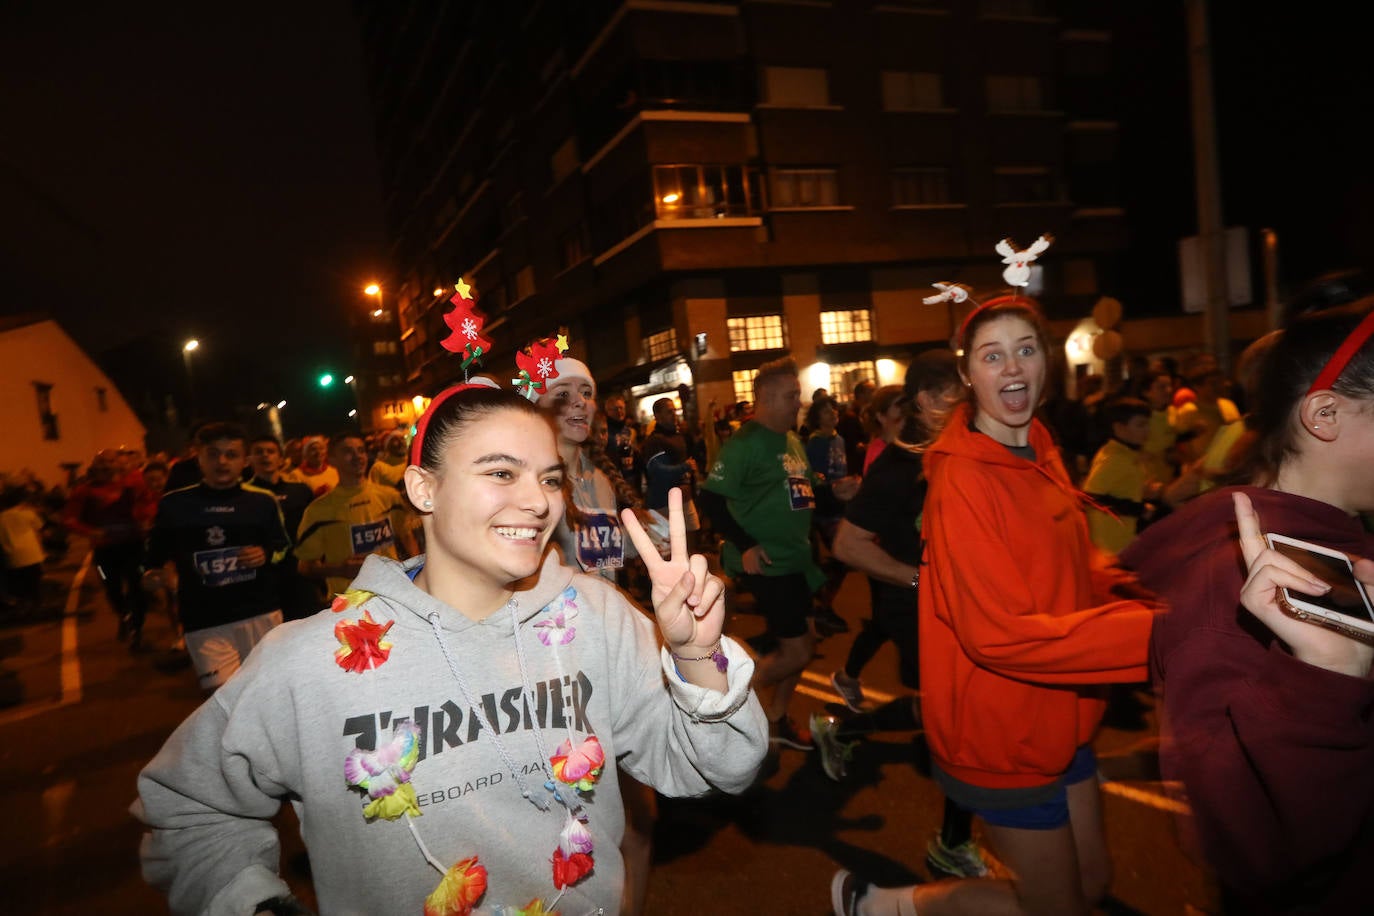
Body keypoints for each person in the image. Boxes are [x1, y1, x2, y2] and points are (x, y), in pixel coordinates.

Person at [133, 382, 767, 916]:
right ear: (423, 489)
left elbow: (721, 767)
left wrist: (693, 655)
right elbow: (188, 805)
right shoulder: (309, 661)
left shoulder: (596, 617)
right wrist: (254, 904)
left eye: (549, 478)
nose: (538, 501)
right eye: (500, 472)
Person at [831, 295, 1159, 916]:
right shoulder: (962, 480)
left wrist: (1126, 583)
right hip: (1001, 732)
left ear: (1046, 362)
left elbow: (1064, 556)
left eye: (1025, 350)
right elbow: (997, 636)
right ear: (969, 376)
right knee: (1057, 906)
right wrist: (1154, 639)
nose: (1012, 367)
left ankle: (884, 904)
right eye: (993, 355)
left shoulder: (1038, 441)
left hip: (1063, 711)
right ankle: (893, 909)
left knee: (1089, 886)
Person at [1122, 301, 1374, 913]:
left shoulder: (1343, 537)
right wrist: (1327, 681)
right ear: (1324, 414)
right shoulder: (1224, 591)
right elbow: (1249, 844)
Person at [814, 349, 989, 880]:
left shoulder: (962, 449)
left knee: (948, 711)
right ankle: (952, 842)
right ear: (931, 400)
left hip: (962, 604)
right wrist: (920, 579)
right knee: (960, 719)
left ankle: (844, 730)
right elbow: (846, 544)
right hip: (914, 607)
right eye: (962, 393)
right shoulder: (898, 467)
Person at [536, 354, 659, 916]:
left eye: (588, 392)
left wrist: (653, 539)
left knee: (639, 817)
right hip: (551, 676)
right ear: (537, 402)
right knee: (565, 831)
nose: (582, 402)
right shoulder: (531, 481)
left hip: (611, 663)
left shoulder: (598, 479)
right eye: (566, 392)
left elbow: (613, 560)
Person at [701, 358, 858, 752]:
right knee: (798, 648)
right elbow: (712, 500)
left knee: (802, 644)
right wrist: (745, 544)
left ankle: (774, 720)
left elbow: (801, 490)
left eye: (798, 395)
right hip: (766, 562)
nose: (798, 403)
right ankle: (722, 704)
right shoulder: (745, 444)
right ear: (767, 399)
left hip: (796, 560)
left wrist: (833, 492)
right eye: (791, 396)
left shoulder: (791, 440)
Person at [144, 423, 293, 690]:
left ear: (244, 461)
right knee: (221, 698)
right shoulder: (175, 505)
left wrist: (265, 553)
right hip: (204, 619)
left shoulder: (262, 501)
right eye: (213, 454)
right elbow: (153, 557)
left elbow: (282, 547)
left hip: (260, 613)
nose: (222, 461)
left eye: (231, 454)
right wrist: (151, 575)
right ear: (198, 457)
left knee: (268, 694)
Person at [296, 432, 419, 602]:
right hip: (350, 603)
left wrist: (416, 577)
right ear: (331, 459)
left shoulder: (389, 497)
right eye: (348, 451)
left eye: (361, 450)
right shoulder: (318, 510)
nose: (357, 456)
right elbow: (305, 567)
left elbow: (407, 537)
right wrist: (340, 569)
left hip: (393, 595)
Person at [64, 448, 148, 644]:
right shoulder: (83, 491)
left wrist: (146, 519)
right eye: (100, 462)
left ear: (119, 464)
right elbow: (69, 519)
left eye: (110, 461)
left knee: (139, 586)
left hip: (133, 545)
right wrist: (89, 531)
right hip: (104, 549)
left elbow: (150, 504)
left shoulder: (135, 485)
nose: (105, 466)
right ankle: (123, 613)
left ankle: (138, 628)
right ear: (93, 466)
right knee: (111, 587)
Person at [248, 435, 320, 620]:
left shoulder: (300, 491)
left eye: (270, 451)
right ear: (249, 460)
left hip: (300, 574)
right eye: (258, 452)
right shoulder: (244, 496)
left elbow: (314, 531)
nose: (265, 456)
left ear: (280, 458)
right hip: (264, 577)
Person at [803, 395, 854, 636]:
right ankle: (821, 605)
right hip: (824, 509)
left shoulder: (840, 439)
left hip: (840, 505)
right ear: (816, 417)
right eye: (825, 411)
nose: (832, 413)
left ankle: (823, 604)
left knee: (842, 560)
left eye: (833, 409)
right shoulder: (815, 443)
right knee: (841, 557)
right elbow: (813, 477)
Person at [640, 397, 702, 554]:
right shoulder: (654, 441)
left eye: (674, 410)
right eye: (669, 411)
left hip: (685, 499)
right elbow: (658, 471)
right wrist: (685, 467)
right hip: (664, 502)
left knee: (692, 544)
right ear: (657, 416)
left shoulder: (680, 436)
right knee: (669, 550)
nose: (674, 414)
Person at [1, 484, 46, 610]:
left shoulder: (1, 518)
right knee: (34, 585)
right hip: (32, 555)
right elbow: (40, 529)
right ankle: (37, 606)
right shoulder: (27, 514)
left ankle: (22, 608)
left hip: (12, 558)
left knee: (18, 587)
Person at [859, 384, 906, 475]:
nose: (905, 411)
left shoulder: (903, 445)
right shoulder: (879, 453)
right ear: (881, 417)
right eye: (899, 406)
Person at [603, 393, 643, 495]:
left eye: (621, 408)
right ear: (608, 411)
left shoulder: (629, 431)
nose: (619, 411)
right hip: (614, 481)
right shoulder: (604, 431)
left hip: (631, 478)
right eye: (615, 409)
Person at [836, 379, 875, 474]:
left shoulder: (870, 414)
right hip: (856, 468)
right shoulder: (850, 417)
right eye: (871, 391)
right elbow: (852, 445)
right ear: (861, 395)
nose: (875, 394)